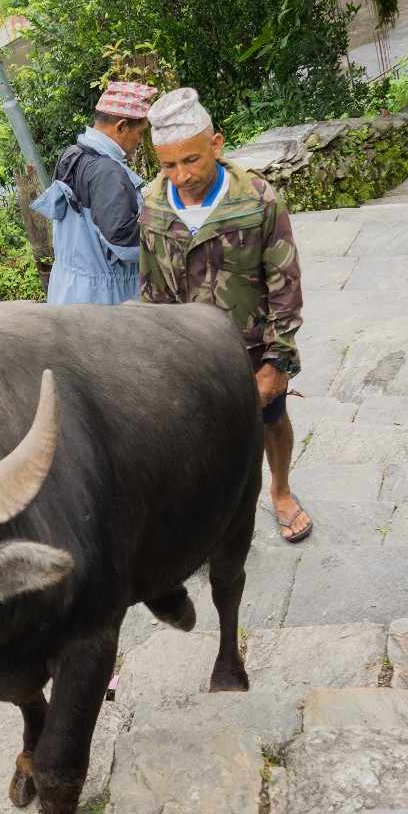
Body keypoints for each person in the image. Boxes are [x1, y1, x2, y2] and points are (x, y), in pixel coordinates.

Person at [140, 86, 312, 544]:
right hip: (188, 358)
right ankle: (221, 512)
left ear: (216, 144)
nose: (182, 175)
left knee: (272, 422)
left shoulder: (256, 199)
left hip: (252, 350)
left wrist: (278, 361)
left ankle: (280, 491)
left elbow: (285, 282)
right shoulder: (154, 204)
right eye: (168, 164)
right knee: (204, 440)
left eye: (192, 160)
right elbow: (151, 289)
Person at [32, 79, 155, 305]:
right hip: (104, 300)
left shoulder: (72, 154)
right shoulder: (108, 172)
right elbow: (124, 243)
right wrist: (159, 217)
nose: (140, 141)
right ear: (121, 127)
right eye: (140, 132)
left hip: (68, 290)